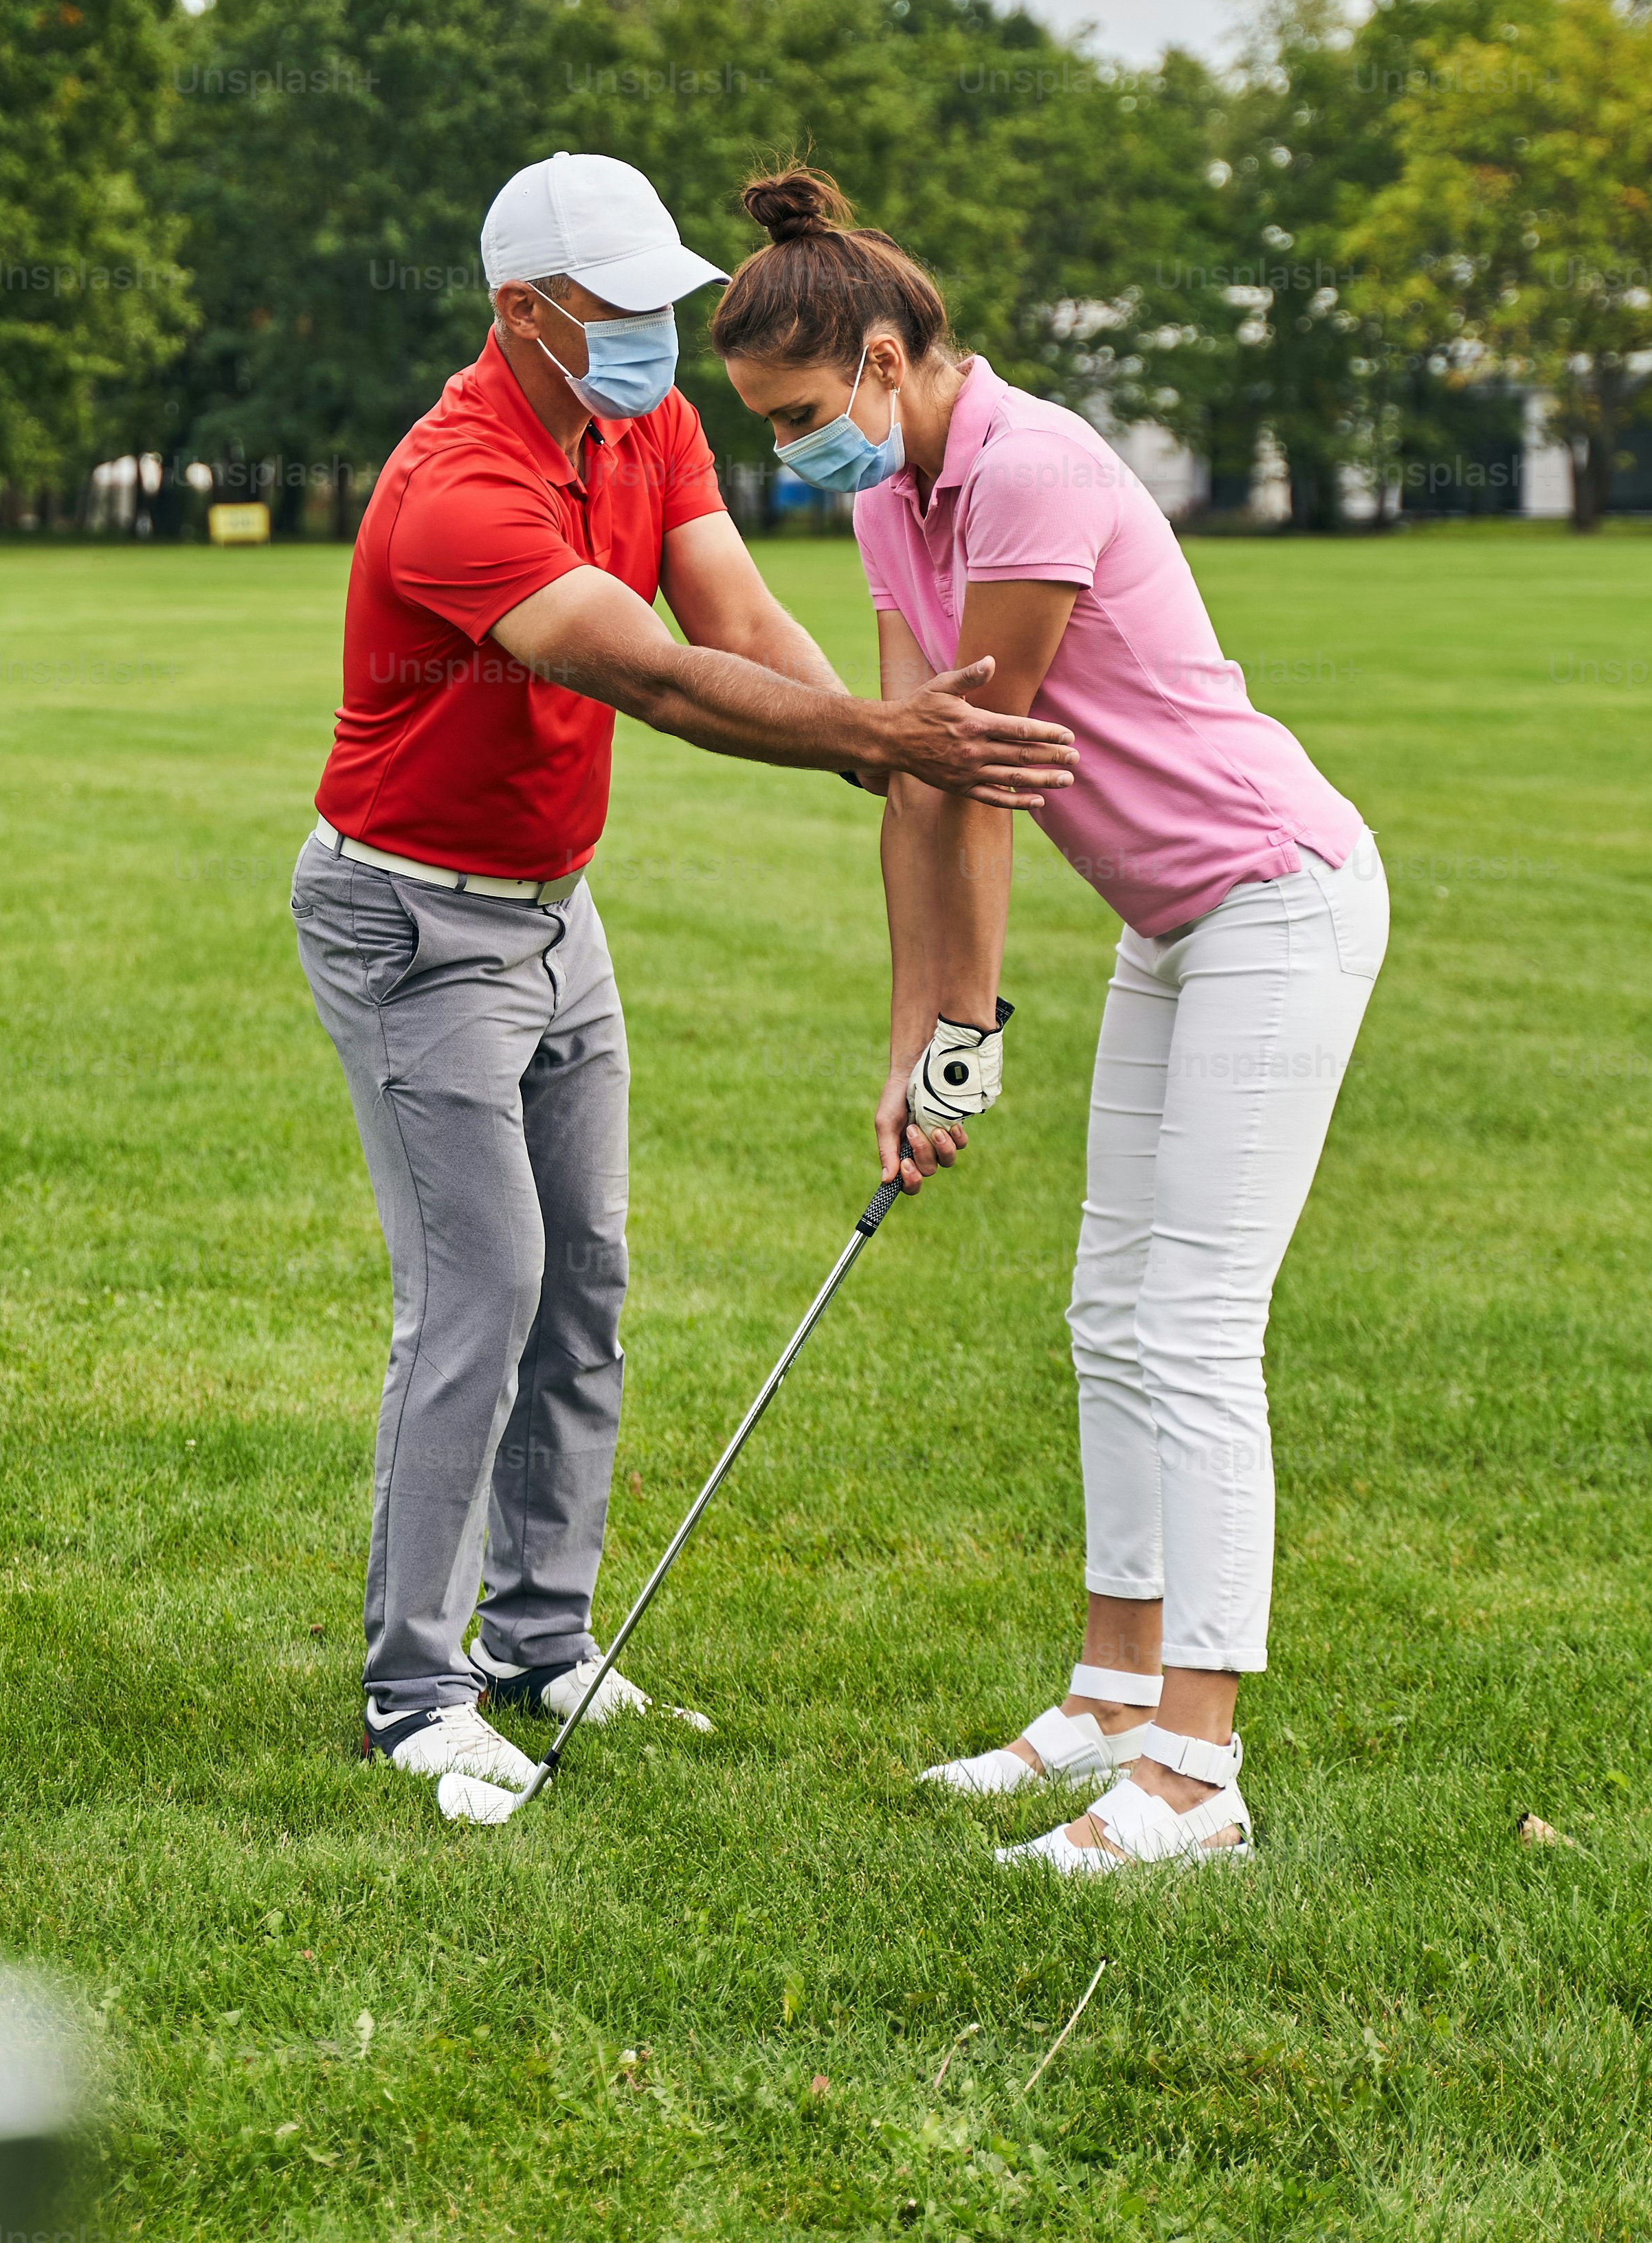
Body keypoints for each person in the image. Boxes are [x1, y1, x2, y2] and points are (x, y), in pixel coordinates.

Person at [293, 150, 1080, 1800]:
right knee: (482, 1286)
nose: (655, 331)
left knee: (586, 1277)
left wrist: (891, 766)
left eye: (664, 297)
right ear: (524, 313)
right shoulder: (459, 485)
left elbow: (729, 611)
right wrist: (885, 731)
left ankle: (542, 1642)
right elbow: (652, 677)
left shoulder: (638, 420)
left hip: (552, 912)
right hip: (412, 926)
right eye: (619, 308)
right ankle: (414, 1691)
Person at [708, 164, 1385, 1868]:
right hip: (1174, 924)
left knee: (1196, 1322)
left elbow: (985, 775)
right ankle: (1109, 1694)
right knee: (1107, 1310)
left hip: (1275, 895)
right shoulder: (893, 503)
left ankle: (1198, 1776)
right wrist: (922, 1041)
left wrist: (972, 1015)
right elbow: (910, 778)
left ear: (883, 359)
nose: (793, 455)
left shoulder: (1030, 471)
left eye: (800, 416)